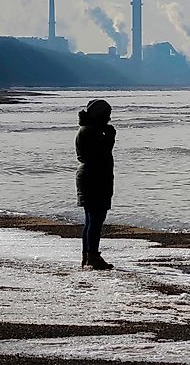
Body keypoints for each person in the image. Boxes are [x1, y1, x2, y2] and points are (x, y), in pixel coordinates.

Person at [75, 98, 116, 270]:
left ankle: (87, 256)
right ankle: (92, 256)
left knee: (91, 219)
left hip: (90, 176)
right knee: (96, 219)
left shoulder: (87, 130)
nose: (109, 119)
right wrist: (111, 137)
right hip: (94, 177)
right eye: (107, 115)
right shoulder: (90, 132)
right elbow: (102, 153)